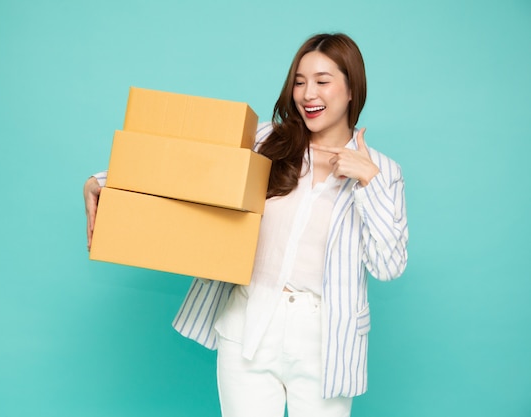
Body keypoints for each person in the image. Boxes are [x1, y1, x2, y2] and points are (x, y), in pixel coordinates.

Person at [83, 33, 408, 417]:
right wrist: (106, 182)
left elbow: (389, 265)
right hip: (247, 324)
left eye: (322, 81)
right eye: (300, 82)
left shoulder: (383, 171)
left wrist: (367, 181)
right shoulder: (267, 142)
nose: (308, 94)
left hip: (325, 339)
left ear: (352, 88)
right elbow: (190, 169)